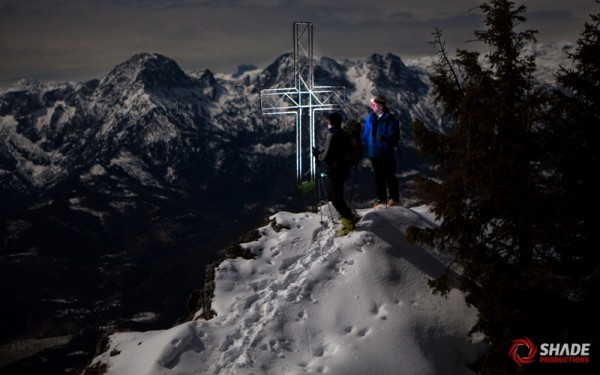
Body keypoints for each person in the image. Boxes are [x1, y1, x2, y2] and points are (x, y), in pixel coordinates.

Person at [313, 112, 355, 236]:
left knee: (336, 197)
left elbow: (325, 155)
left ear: (331, 122)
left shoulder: (332, 135)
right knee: (337, 195)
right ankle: (347, 218)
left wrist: (317, 154)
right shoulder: (343, 135)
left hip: (336, 170)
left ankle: (348, 222)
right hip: (343, 169)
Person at [361, 95, 401, 207]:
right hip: (375, 152)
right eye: (372, 105)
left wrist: (386, 138)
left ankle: (394, 198)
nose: (372, 107)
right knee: (378, 176)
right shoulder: (371, 118)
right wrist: (362, 144)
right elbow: (366, 133)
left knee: (389, 175)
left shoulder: (390, 119)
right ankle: (381, 198)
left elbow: (394, 134)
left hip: (386, 152)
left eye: (374, 105)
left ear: (380, 106)